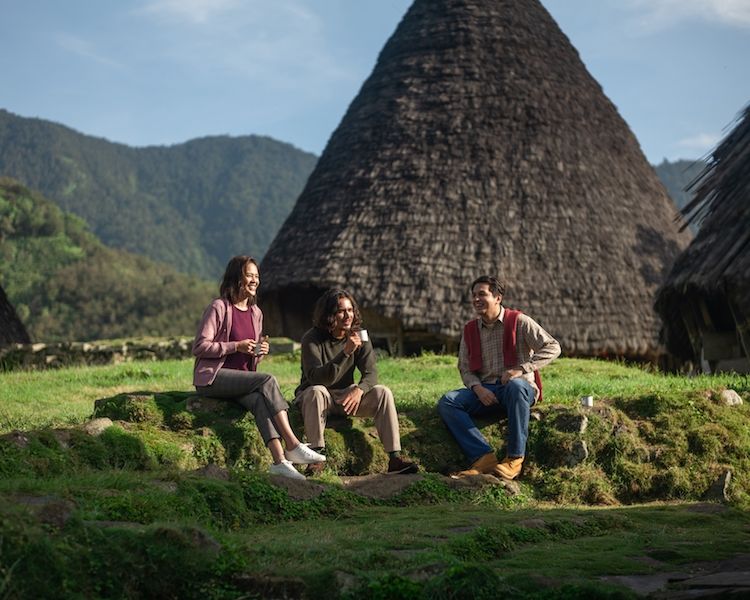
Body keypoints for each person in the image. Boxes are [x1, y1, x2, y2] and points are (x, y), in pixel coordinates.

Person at [192, 255, 325, 480]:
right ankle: (293, 443)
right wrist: (236, 346)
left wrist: (259, 352)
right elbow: (200, 347)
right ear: (237, 278)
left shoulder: (256, 313)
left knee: (258, 400)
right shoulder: (219, 307)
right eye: (249, 275)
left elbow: (249, 358)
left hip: (243, 380)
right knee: (267, 380)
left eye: (257, 276)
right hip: (213, 379)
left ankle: (279, 461)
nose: (255, 280)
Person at [438, 276, 560, 480]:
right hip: (486, 391)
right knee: (448, 402)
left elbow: (553, 346)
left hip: (518, 390)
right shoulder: (469, 330)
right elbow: (465, 368)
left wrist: (521, 368)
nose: (476, 299)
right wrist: (478, 389)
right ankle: (483, 457)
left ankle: (514, 459)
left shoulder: (519, 321)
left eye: (482, 294)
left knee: (516, 386)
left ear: (498, 297)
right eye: (474, 295)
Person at [294, 288, 417, 475]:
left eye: (350, 310)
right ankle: (315, 457)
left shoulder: (360, 336)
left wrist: (359, 390)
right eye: (341, 311)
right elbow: (317, 378)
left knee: (383, 392)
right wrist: (345, 353)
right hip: (317, 398)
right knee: (317, 390)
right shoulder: (312, 338)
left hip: (347, 398)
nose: (347, 316)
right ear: (329, 315)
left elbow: (371, 373)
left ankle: (394, 458)